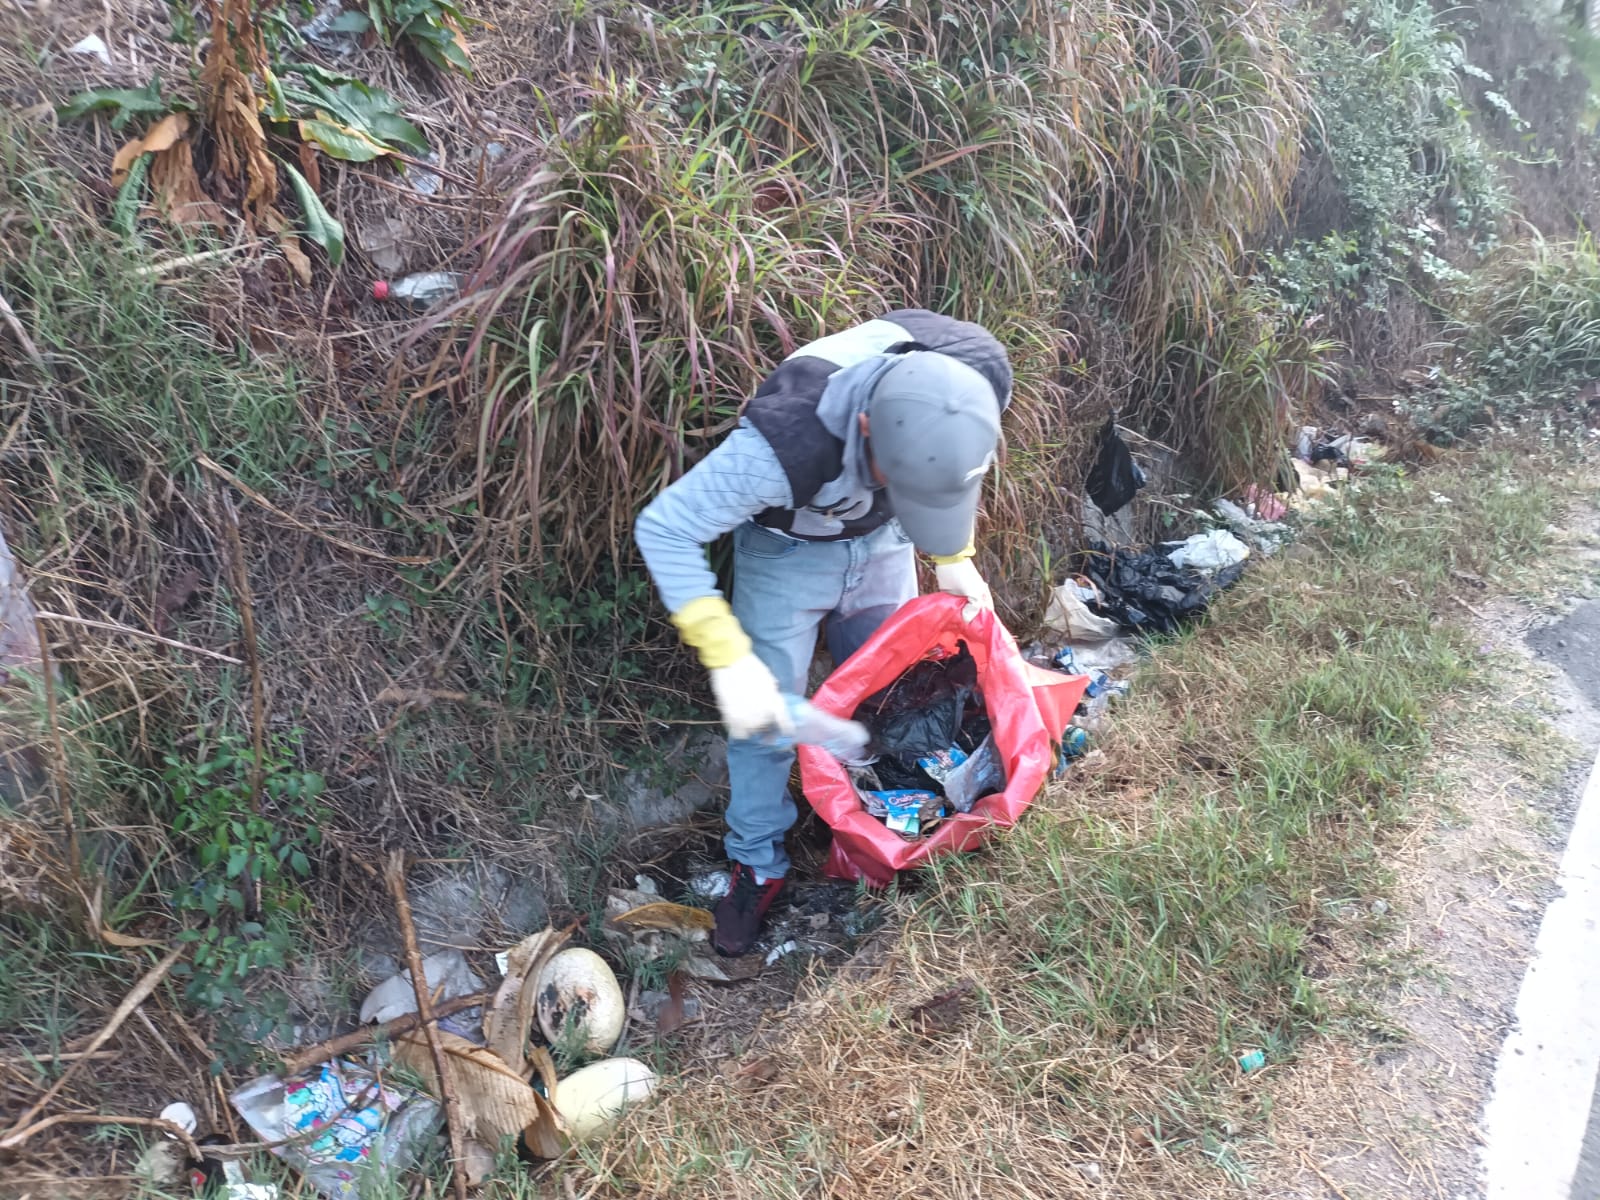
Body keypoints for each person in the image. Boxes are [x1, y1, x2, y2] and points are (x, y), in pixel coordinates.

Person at [634, 310, 1012, 954]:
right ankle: (758, 862)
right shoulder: (784, 444)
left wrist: (954, 558)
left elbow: (948, 466)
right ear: (866, 430)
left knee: (897, 695)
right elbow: (665, 527)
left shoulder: (972, 376)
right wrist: (728, 659)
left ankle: (877, 833)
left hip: (884, 539)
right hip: (788, 555)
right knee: (762, 723)